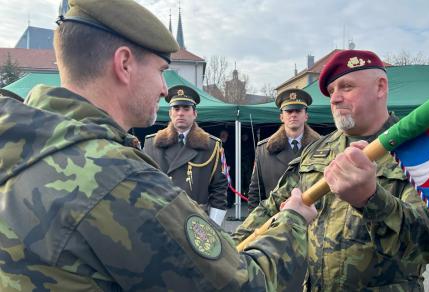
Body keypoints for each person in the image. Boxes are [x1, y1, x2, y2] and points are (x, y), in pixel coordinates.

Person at [0, 0, 317, 291]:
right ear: (124, 64)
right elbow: (243, 286)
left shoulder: (25, 143)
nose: (166, 90)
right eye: (161, 71)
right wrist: (293, 221)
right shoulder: (118, 179)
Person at [233, 50, 429, 291]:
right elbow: (270, 209)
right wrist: (224, 254)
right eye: (332, 91)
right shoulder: (317, 150)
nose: (334, 99)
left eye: (346, 87)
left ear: (380, 87)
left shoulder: (418, 152)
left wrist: (371, 199)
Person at [143, 85, 228, 225]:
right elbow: (143, 186)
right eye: (176, 109)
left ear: (195, 114)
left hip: (197, 222)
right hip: (160, 220)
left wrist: (214, 227)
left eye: (186, 109)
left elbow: (219, 189)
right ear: (170, 113)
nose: (180, 113)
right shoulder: (151, 144)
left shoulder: (211, 146)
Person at [248, 88, 320, 210]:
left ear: (306, 116)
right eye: (289, 111)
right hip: (275, 221)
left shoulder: (321, 147)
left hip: (313, 221)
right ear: (282, 117)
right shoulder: (264, 150)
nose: (293, 114)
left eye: (298, 110)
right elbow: (255, 192)